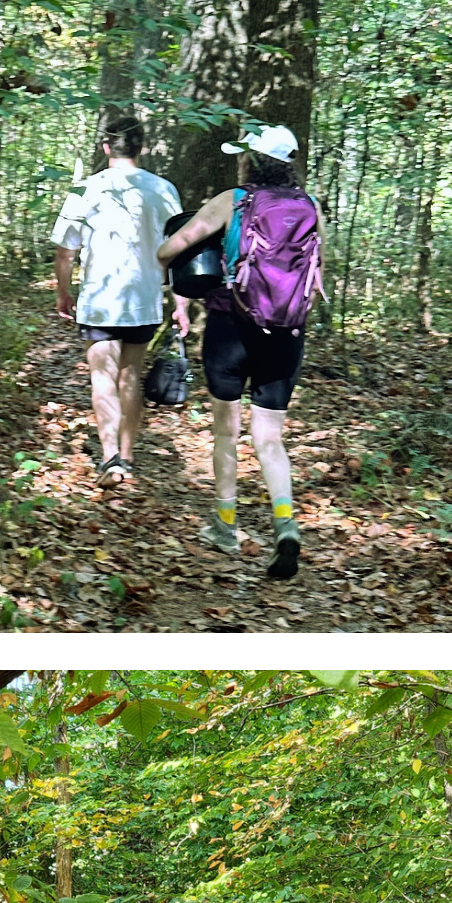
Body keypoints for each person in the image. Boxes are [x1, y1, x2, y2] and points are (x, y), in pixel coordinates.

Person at [155, 124, 325, 580]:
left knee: (227, 433)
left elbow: (171, 249)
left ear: (250, 160)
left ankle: (226, 526)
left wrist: (172, 260)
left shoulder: (233, 200)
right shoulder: (310, 206)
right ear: (291, 164)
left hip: (230, 328)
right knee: (270, 438)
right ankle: (285, 525)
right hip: (287, 333)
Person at [52, 117, 189, 488]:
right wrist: (180, 303)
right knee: (130, 375)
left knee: (103, 376)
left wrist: (64, 292)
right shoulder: (163, 190)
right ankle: (127, 458)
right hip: (143, 299)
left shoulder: (86, 189)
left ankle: (110, 457)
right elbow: (178, 252)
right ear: (141, 147)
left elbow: (66, 251)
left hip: (98, 298)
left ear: (106, 147)